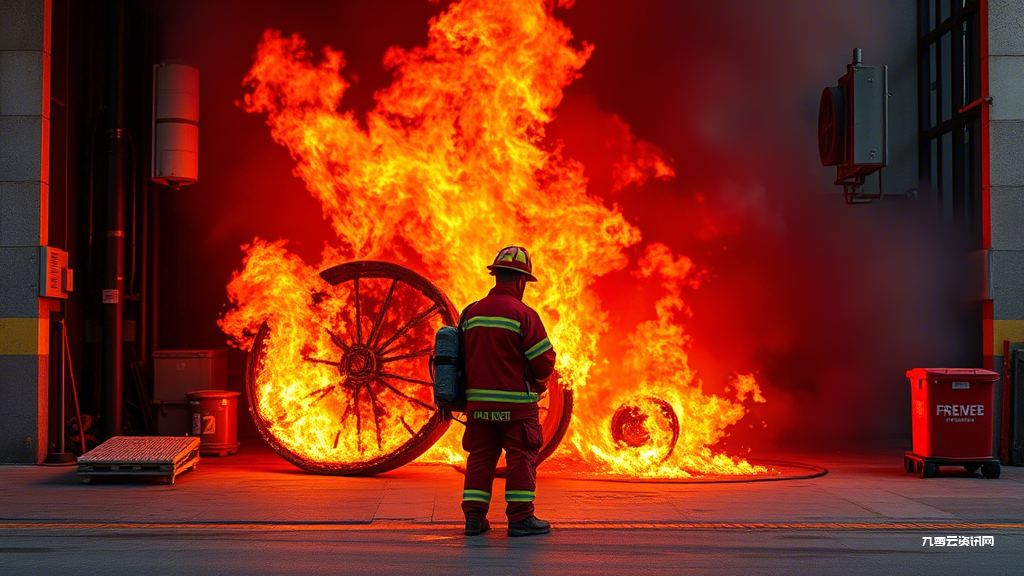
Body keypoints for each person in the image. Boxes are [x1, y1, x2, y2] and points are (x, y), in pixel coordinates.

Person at [460, 245, 556, 537]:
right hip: (516, 408)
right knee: (521, 456)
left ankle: (474, 519)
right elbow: (544, 362)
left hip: (478, 407)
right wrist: (537, 382)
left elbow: (461, 359)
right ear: (520, 281)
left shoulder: (471, 313)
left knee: (480, 458)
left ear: (496, 275)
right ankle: (520, 518)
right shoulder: (523, 314)